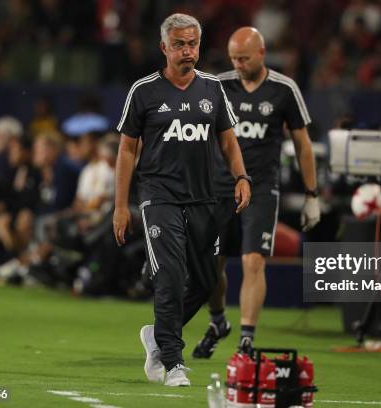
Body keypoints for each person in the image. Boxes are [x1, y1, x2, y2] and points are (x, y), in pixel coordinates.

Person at [113, 13, 251, 387]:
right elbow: (126, 151)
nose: (187, 50)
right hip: (159, 197)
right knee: (171, 276)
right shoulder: (143, 91)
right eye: (179, 44)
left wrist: (241, 176)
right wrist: (120, 205)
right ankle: (173, 362)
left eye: (192, 43)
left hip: (206, 198)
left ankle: (155, 335)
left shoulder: (211, 89)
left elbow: (227, 140)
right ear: (164, 47)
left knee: (207, 282)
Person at [191, 27, 320, 359]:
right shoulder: (217, 86)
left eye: (244, 58)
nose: (238, 64)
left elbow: (303, 146)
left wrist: (312, 195)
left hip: (261, 188)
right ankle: (218, 322)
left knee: (252, 262)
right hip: (220, 189)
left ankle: (247, 337)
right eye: (234, 58)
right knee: (211, 267)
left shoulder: (283, 89)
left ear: (262, 53)